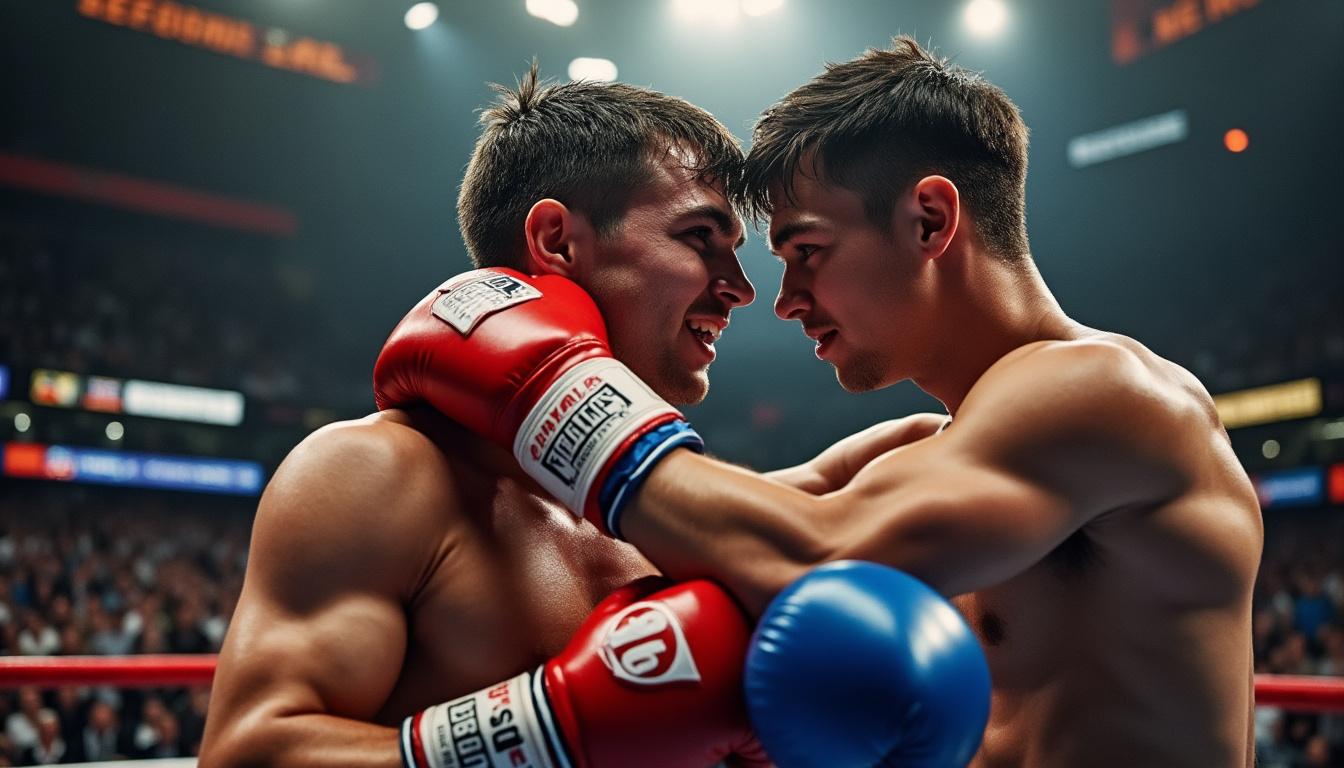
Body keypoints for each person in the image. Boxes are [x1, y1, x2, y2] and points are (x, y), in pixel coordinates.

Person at [376, 38, 1264, 767]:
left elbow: (821, 556)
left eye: (807, 250)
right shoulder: (936, 455)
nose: (785, 297)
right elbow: (726, 542)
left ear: (928, 221)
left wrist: (553, 393)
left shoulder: (1106, 390)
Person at [203, 65, 990, 768]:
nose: (740, 287)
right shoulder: (379, 474)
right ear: (556, 240)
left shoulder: (673, 509)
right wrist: (549, 730)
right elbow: (250, 751)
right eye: (699, 238)